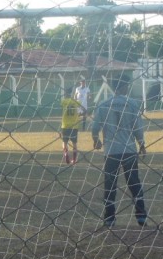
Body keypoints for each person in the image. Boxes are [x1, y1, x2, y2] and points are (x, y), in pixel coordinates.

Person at [91, 76, 147, 229]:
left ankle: (109, 219)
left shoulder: (103, 105)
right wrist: (142, 145)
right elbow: (137, 128)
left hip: (111, 151)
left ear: (114, 88)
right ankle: (141, 217)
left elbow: (95, 127)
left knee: (110, 184)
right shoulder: (132, 104)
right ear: (125, 88)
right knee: (134, 183)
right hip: (129, 149)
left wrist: (95, 140)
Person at [60, 86, 83, 165]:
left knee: (64, 142)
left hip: (65, 125)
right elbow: (80, 105)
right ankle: (74, 159)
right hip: (74, 125)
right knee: (74, 143)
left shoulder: (63, 101)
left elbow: (62, 106)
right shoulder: (76, 102)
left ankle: (66, 154)